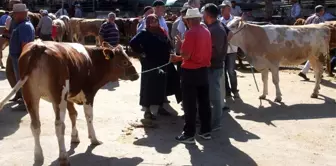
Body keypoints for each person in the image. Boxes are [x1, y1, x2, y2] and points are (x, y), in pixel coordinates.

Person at [171, 8, 212, 143]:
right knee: (204, 102)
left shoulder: (190, 33)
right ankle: (206, 131)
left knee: (189, 104)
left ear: (189, 20)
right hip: (203, 71)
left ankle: (189, 134)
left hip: (190, 72)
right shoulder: (206, 31)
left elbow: (186, 55)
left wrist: (177, 56)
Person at [130, 14, 181, 120]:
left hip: (163, 62)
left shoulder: (161, 31)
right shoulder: (144, 33)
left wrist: (171, 51)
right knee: (148, 87)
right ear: (148, 22)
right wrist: (142, 53)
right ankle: (147, 111)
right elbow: (132, 43)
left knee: (161, 85)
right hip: (150, 64)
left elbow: (168, 44)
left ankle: (161, 107)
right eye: (152, 20)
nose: (154, 22)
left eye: (156, 20)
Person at [203, 3, 228, 131]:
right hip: (211, 65)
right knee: (211, 95)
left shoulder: (216, 29)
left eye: (203, 13)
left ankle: (216, 123)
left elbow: (215, 50)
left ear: (207, 14)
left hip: (214, 66)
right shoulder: (213, 27)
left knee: (215, 96)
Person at [9, 3, 35, 104]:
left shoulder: (24, 26)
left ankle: (26, 102)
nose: (13, 16)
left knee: (23, 80)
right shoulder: (21, 25)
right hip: (16, 57)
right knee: (19, 79)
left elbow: (25, 45)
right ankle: (21, 97)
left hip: (19, 57)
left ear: (22, 14)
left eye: (15, 14)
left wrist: (22, 60)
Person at [298, 5, 325, 81]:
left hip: (307, 40)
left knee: (313, 56)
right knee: (316, 57)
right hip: (315, 40)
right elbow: (320, 31)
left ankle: (305, 72)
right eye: (323, 10)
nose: (323, 11)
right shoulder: (319, 19)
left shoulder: (309, 18)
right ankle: (314, 73)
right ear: (321, 11)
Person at [219, 0, 240, 98]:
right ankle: (227, 91)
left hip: (232, 49)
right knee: (223, 71)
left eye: (224, 7)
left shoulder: (236, 21)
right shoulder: (219, 21)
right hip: (222, 50)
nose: (222, 9)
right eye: (222, 7)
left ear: (229, 9)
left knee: (231, 71)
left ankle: (235, 90)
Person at [171, 5, 189, 75]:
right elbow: (173, 35)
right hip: (180, 51)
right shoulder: (176, 23)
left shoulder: (193, 23)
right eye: (182, 14)